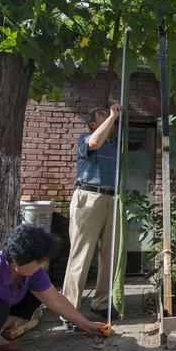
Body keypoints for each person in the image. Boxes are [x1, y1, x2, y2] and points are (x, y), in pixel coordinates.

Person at [61, 103, 122, 326]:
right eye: (102, 115)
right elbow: (95, 142)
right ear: (92, 123)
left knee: (110, 254)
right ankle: (69, 310)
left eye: (109, 114)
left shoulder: (115, 146)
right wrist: (113, 115)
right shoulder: (85, 138)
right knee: (81, 253)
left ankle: (101, 303)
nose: (108, 116)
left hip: (112, 198)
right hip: (89, 197)